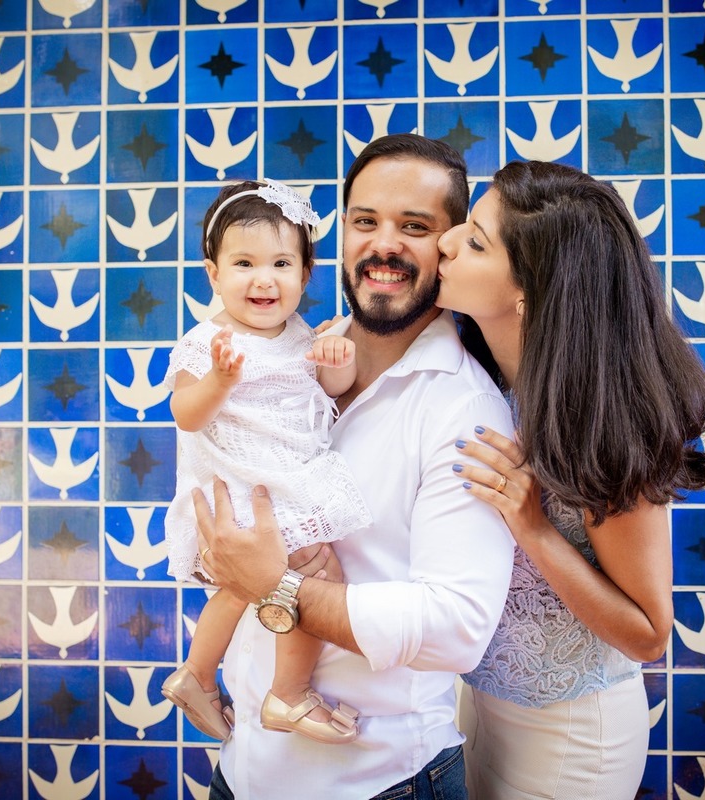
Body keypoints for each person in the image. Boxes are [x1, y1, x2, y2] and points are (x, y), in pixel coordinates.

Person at [191, 134, 516, 799]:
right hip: (244, 769)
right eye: (365, 221)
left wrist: (275, 588)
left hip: (378, 782)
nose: (384, 243)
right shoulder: (283, 358)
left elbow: (457, 629)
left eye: (415, 227)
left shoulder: (463, 407)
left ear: (450, 246)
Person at [436, 159, 705, 799]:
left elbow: (649, 634)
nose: (446, 242)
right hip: (476, 705)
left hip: (570, 737)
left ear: (526, 292)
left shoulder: (602, 420)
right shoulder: (480, 381)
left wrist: (535, 528)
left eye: (475, 240)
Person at [160, 179, 373, 745]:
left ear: (306, 275)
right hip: (242, 490)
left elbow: (332, 390)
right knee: (316, 574)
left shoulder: (301, 332)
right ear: (214, 274)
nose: (264, 278)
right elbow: (186, 413)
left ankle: (196, 675)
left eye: (282, 262)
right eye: (244, 263)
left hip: (282, 482)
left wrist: (337, 359)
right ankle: (289, 693)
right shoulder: (207, 342)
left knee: (237, 589)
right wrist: (220, 382)